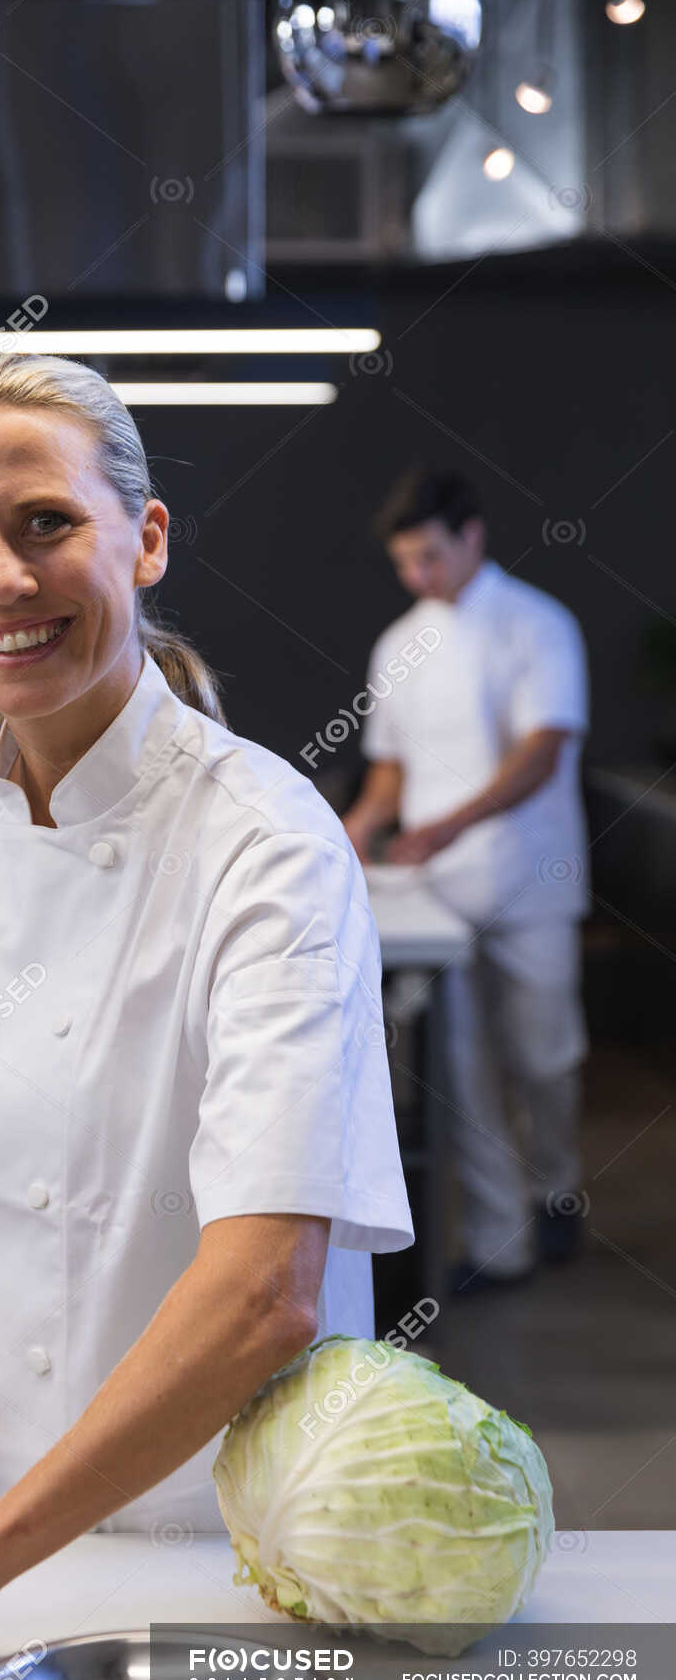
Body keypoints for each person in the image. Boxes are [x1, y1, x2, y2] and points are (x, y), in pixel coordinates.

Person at [0, 352, 412, 1656]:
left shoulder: (263, 842)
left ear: (145, 538)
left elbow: (267, 1291)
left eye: (44, 522)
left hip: (205, 1540)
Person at [342, 467, 590, 1295]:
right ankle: (499, 1240)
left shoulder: (536, 625)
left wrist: (445, 824)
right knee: (461, 1064)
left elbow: (543, 750)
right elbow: (390, 776)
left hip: (530, 879)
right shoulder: (396, 643)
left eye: (430, 556)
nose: (418, 576)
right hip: (436, 891)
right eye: (405, 563)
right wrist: (350, 836)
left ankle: (557, 1184)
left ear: (472, 535)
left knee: (543, 1052)